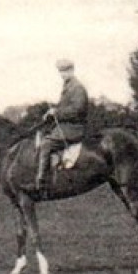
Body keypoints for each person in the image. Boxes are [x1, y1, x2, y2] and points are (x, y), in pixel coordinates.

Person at [34, 59, 90, 190]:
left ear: (72, 71)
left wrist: (57, 112)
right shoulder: (68, 86)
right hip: (66, 126)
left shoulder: (78, 88)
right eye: (61, 72)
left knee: (46, 144)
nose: (63, 75)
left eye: (65, 71)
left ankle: (42, 179)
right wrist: (51, 112)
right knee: (41, 135)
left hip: (74, 128)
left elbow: (77, 110)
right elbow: (64, 107)